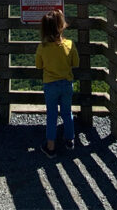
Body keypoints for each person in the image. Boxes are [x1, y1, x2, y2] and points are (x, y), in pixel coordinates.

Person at [35, 9, 79, 158]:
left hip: (50, 85)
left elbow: (38, 66)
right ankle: (70, 140)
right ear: (62, 26)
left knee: (52, 114)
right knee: (67, 112)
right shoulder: (70, 44)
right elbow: (76, 63)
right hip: (67, 83)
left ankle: (51, 146)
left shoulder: (42, 47)